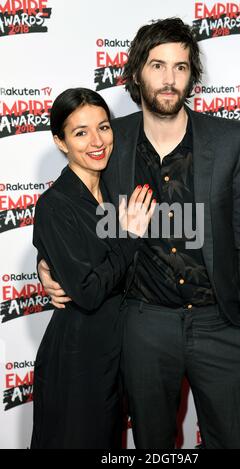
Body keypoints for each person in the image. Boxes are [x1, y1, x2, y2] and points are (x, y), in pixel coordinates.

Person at [38, 18, 240, 449]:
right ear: (136, 73)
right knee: (153, 447)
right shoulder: (111, 140)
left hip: (220, 323)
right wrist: (48, 262)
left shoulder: (232, 140)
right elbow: (76, 208)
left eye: (180, 67)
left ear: (191, 75)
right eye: (157, 65)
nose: (169, 79)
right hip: (144, 324)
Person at [30, 87, 155, 449]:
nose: (96, 141)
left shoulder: (118, 193)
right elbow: (87, 291)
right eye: (80, 132)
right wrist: (129, 237)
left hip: (117, 356)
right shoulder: (55, 204)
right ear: (60, 142)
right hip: (77, 362)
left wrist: (46, 264)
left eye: (103, 127)